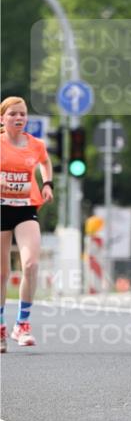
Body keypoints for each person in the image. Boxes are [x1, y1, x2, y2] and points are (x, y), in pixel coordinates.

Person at [0, 96, 54, 350]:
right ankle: (0, 326)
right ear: (2, 119)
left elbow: (45, 162)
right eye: (12, 114)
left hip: (25, 207)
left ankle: (22, 324)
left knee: (31, 264)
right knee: (1, 274)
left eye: (22, 114)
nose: (19, 118)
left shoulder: (35, 144)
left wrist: (47, 184)